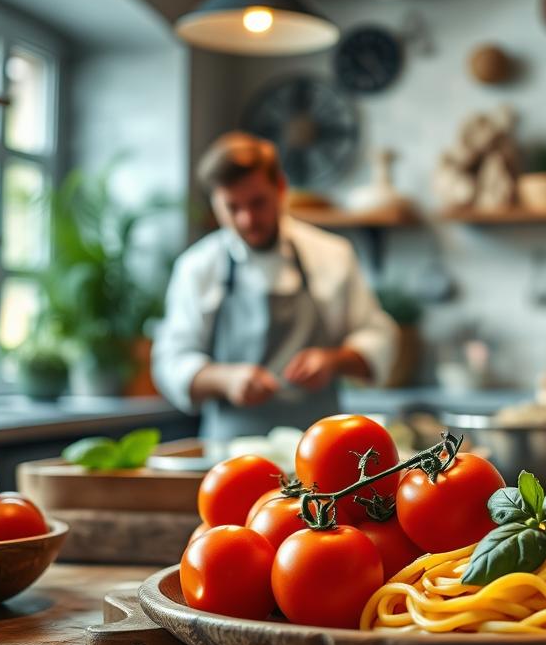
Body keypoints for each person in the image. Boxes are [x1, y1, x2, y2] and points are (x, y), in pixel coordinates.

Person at [152, 132, 396, 444]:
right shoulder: (197, 267)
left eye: (257, 202)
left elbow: (379, 337)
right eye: (232, 207)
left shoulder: (332, 255)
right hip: (229, 456)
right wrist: (226, 379)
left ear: (280, 188)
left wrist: (333, 361)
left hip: (323, 455)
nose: (247, 219)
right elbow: (171, 361)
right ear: (215, 202)